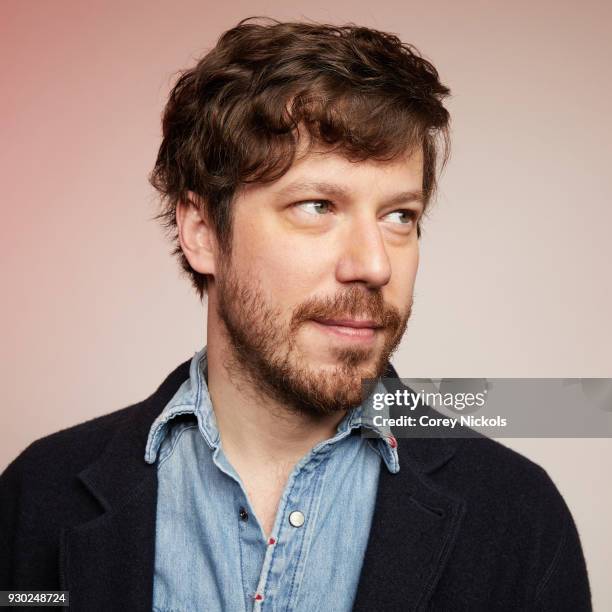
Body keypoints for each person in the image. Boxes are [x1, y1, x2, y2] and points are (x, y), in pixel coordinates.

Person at [0, 16, 591, 612]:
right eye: (318, 206)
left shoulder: (519, 518)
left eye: (400, 216)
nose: (374, 265)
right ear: (202, 230)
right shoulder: (38, 497)